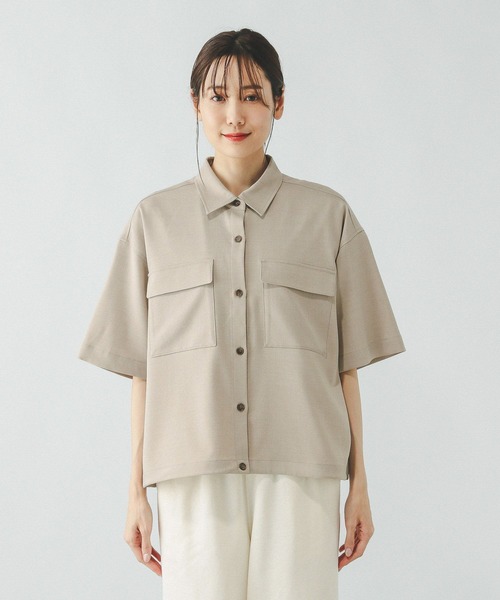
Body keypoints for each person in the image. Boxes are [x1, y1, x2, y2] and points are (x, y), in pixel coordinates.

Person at [78, 28, 406, 600]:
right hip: (192, 472)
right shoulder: (153, 221)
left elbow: (346, 367)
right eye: (218, 96)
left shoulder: (328, 216)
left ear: (279, 103)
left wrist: (360, 487)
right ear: (195, 104)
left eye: (253, 96)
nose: (235, 113)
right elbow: (143, 372)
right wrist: (135, 492)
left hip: (302, 471)